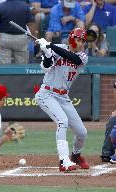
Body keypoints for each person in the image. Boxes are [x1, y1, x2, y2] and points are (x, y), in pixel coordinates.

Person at [35, 28, 90, 172]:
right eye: (79, 40)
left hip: (63, 97)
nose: (81, 43)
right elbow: (46, 67)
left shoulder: (83, 56)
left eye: (83, 41)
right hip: (47, 93)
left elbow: (74, 59)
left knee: (82, 132)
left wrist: (50, 46)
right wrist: (46, 53)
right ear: (72, 38)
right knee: (62, 121)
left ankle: (76, 155)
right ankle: (63, 160)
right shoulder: (58, 48)